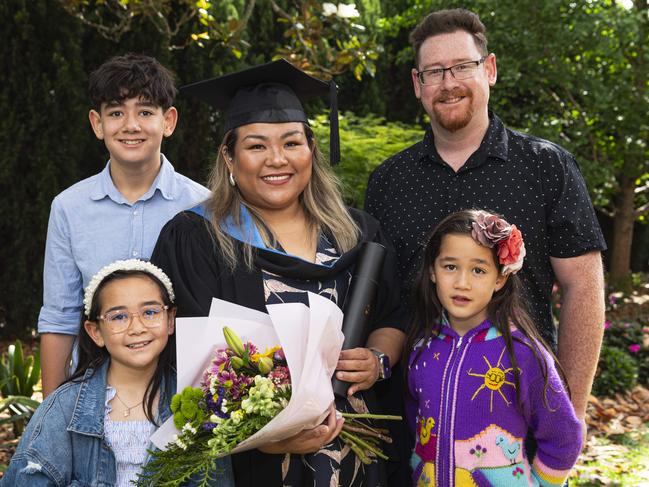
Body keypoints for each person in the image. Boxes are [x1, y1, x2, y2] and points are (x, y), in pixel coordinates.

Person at [151, 58, 407, 487]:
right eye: (256, 146)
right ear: (229, 157)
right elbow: (185, 361)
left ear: (311, 150)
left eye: (292, 142)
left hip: (358, 452)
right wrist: (268, 438)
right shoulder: (196, 238)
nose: (277, 159)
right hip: (255, 461)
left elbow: (392, 315)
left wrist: (378, 360)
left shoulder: (357, 232)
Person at [365, 8, 606, 438]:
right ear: (418, 84)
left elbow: (583, 287)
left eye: (463, 66)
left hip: (520, 422)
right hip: (413, 427)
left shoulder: (547, 168)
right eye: (434, 72)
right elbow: (379, 300)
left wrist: (571, 413)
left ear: (489, 69)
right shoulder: (388, 183)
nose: (449, 82)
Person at [38, 54, 210, 397]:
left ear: (169, 121)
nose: (131, 125)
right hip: (94, 392)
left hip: (182, 396)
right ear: (97, 123)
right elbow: (59, 317)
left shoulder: (204, 206)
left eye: (145, 112)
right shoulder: (69, 208)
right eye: (116, 112)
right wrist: (51, 415)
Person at [2, 259, 234, 486]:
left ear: (170, 319)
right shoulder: (64, 408)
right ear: (96, 332)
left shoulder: (196, 405)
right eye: (119, 317)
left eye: (150, 312)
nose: (137, 327)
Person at [405, 209, 582, 486]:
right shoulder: (422, 348)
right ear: (432, 270)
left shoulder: (523, 353)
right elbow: (414, 425)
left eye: (478, 270)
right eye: (450, 266)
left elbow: (565, 436)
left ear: (500, 278)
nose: (462, 283)